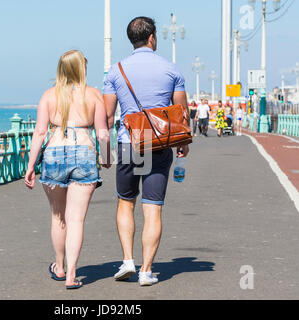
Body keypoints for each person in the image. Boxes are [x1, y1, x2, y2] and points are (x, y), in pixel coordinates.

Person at [103, 17, 189, 287]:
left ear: (131, 39)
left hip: (129, 144)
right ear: (152, 37)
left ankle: (128, 260)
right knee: (152, 208)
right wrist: (182, 143)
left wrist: (105, 151)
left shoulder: (115, 72)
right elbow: (181, 114)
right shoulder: (171, 69)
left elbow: (107, 116)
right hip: (158, 145)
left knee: (125, 202)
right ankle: (146, 270)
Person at [24, 50, 110, 290]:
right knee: (76, 219)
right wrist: (105, 158)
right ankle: (72, 275)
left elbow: (40, 132)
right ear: (82, 69)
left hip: (54, 153)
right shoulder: (93, 95)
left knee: (58, 216)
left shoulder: (49, 96)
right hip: (83, 152)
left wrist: (31, 166)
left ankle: (59, 267)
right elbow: (102, 132)